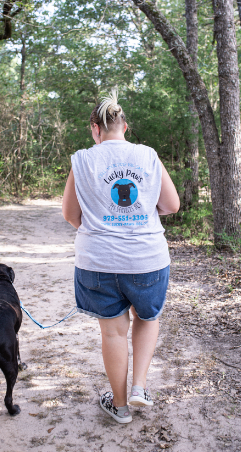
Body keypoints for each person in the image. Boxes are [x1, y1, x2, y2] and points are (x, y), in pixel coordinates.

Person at [62, 89, 180, 424]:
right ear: (124, 126)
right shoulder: (147, 156)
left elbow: (71, 215)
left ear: (95, 129)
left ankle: (119, 406)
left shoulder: (83, 160)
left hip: (98, 262)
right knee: (147, 318)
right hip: (147, 260)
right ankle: (140, 387)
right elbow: (171, 206)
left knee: (113, 332)